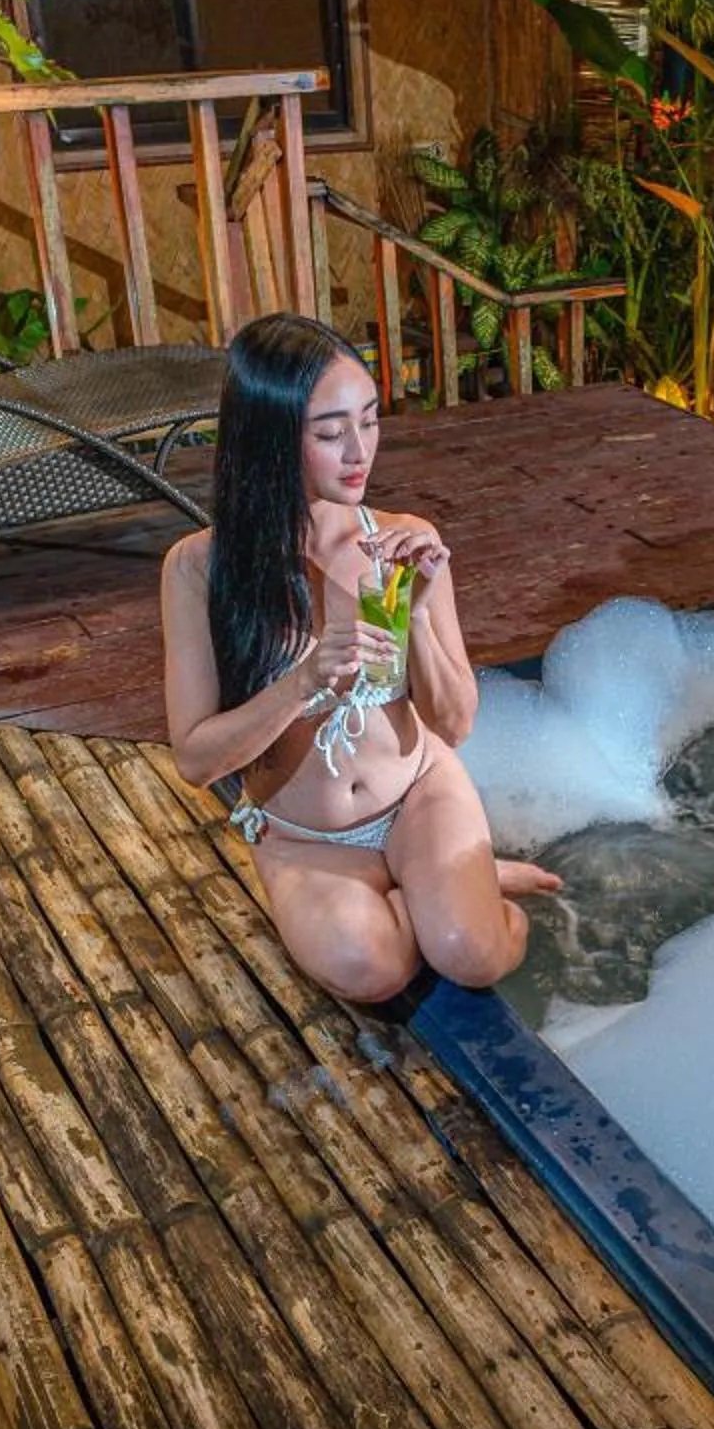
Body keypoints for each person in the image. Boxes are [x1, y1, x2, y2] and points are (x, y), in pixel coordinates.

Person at [162, 314, 557, 1002]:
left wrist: (420, 612)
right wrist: (304, 680)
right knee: (366, 971)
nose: (359, 451)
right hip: (301, 834)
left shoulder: (404, 541)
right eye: (329, 432)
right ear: (271, 439)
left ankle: (463, 905)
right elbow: (197, 761)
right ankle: (446, 891)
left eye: (370, 421)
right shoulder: (200, 569)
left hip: (416, 796)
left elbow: (456, 725)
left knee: (474, 954)